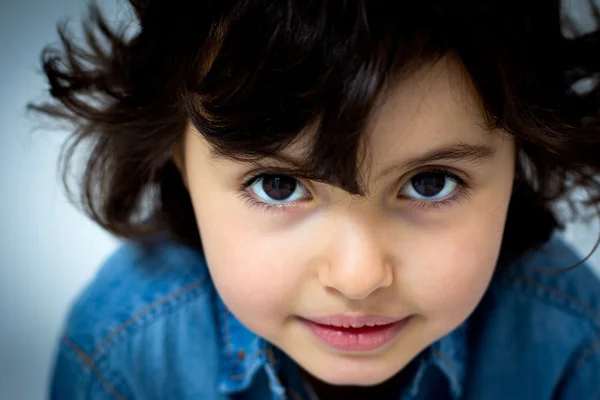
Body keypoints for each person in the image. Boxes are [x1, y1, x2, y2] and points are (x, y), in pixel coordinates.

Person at [31, 0, 600, 398]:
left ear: (520, 155)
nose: (357, 278)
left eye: (430, 182)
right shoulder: (124, 349)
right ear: (179, 164)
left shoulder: (572, 340)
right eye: (279, 185)